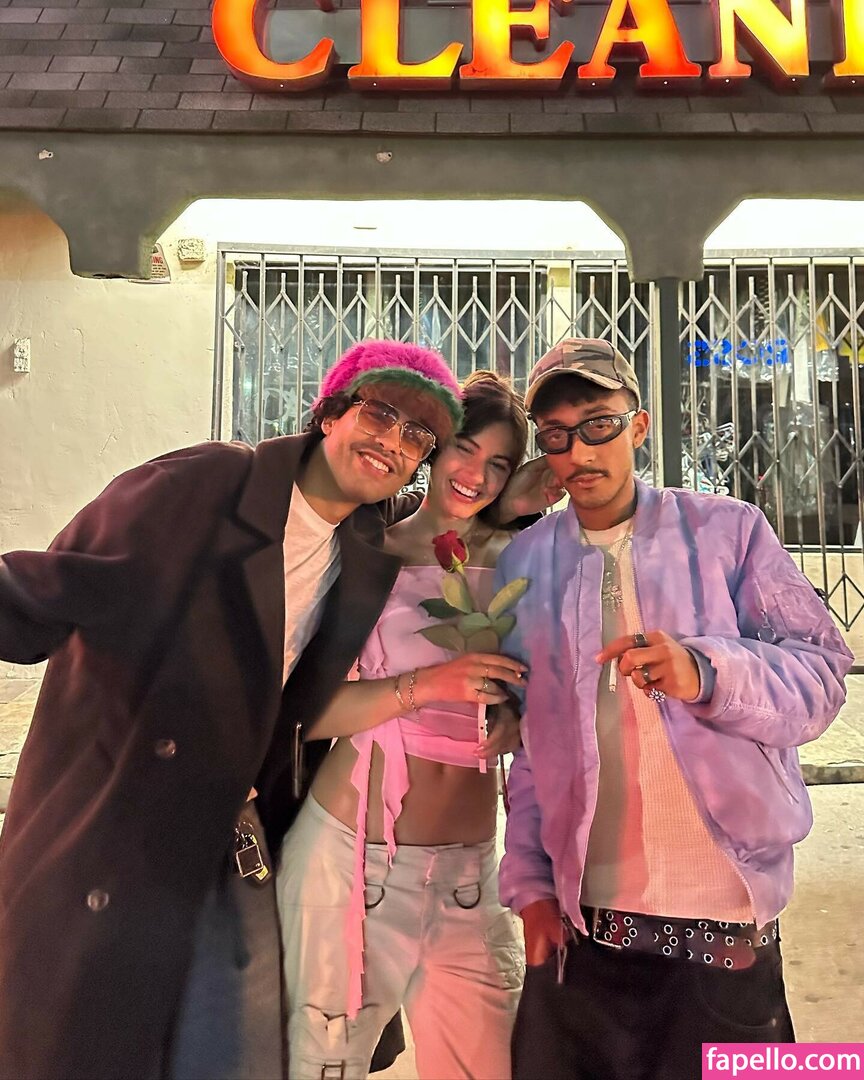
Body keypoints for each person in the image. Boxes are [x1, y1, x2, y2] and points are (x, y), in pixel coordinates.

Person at [0, 340, 465, 1080]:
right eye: (381, 413)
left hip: (235, 837)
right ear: (331, 413)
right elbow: (47, 588)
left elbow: (478, 503)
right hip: (117, 820)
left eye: (418, 436)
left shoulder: (364, 546)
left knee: (225, 1051)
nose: (393, 442)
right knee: (83, 1041)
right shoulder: (209, 484)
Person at [494, 338, 854, 1080]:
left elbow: (821, 674)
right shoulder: (527, 563)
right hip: (584, 923)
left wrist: (707, 670)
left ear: (639, 426)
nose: (579, 452)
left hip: (723, 918)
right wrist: (529, 886)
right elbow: (532, 748)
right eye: (556, 435)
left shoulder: (728, 531)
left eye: (598, 425)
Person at [277, 372, 532, 1080]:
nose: (476, 475)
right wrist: (427, 687)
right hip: (351, 868)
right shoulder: (367, 553)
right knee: (322, 1063)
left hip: (471, 874)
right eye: (464, 450)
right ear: (433, 448)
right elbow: (302, 713)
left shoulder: (524, 560)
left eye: (500, 464)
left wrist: (517, 713)